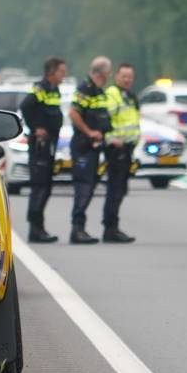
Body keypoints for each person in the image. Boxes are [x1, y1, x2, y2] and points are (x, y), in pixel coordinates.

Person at [19, 57, 66, 243]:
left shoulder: (54, 90)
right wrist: (36, 127)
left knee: (46, 187)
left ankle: (40, 227)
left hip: (50, 144)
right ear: (52, 72)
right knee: (39, 187)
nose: (64, 75)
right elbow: (25, 106)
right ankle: (35, 229)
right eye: (62, 71)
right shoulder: (41, 89)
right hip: (40, 145)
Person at [68, 56, 113, 244]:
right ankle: (77, 229)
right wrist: (89, 131)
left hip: (94, 147)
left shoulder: (98, 91)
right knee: (84, 187)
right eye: (108, 72)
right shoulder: (84, 89)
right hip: (83, 146)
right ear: (101, 72)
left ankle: (81, 228)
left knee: (90, 185)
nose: (109, 75)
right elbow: (73, 113)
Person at [102, 63, 140, 243]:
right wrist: (110, 139)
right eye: (124, 76)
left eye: (130, 77)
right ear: (116, 77)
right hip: (116, 149)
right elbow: (104, 120)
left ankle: (112, 227)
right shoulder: (113, 95)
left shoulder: (130, 96)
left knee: (120, 189)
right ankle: (110, 229)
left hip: (127, 149)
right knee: (115, 190)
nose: (127, 80)